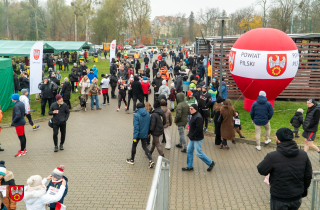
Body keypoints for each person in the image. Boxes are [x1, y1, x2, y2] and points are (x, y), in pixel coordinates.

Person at [257, 128, 312, 210]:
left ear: (278, 140)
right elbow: (308, 175)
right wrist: (303, 191)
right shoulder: (303, 154)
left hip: (279, 198)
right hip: (296, 197)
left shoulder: (272, 156)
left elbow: (261, 170)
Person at [182, 104, 215, 172]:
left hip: (197, 138)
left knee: (198, 153)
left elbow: (198, 129)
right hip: (192, 137)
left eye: (191, 109)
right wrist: (190, 134)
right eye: (189, 108)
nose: (190, 110)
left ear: (195, 109)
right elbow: (193, 127)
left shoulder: (198, 117)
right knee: (189, 151)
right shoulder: (193, 115)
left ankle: (211, 163)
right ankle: (189, 166)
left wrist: (192, 135)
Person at [126, 102, 155, 168]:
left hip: (138, 134)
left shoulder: (136, 115)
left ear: (137, 108)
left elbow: (136, 127)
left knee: (134, 145)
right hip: (145, 134)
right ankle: (151, 160)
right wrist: (148, 133)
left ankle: (132, 159)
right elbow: (149, 125)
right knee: (144, 147)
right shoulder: (148, 114)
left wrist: (135, 137)